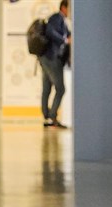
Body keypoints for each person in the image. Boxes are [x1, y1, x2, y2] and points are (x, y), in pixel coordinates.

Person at [40, 0, 71, 128]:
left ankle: (47, 116)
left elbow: (68, 34)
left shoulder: (61, 20)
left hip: (46, 58)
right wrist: (64, 40)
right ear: (64, 7)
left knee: (47, 87)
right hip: (51, 58)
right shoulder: (56, 18)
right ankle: (52, 116)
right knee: (60, 89)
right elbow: (51, 32)